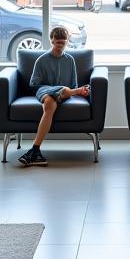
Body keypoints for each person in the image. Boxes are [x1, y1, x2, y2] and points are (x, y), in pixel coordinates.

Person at [18, 26, 90, 167]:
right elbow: (34, 84)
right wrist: (76, 91)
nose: (60, 46)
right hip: (44, 91)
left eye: (63, 43)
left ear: (67, 42)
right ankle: (36, 150)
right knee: (50, 104)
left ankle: (34, 152)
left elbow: (72, 84)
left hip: (65, 93)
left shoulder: (70, 60)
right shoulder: (41, 60)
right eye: (57, 42)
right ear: (52, 41)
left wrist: (76, 91)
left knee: (64, 90)